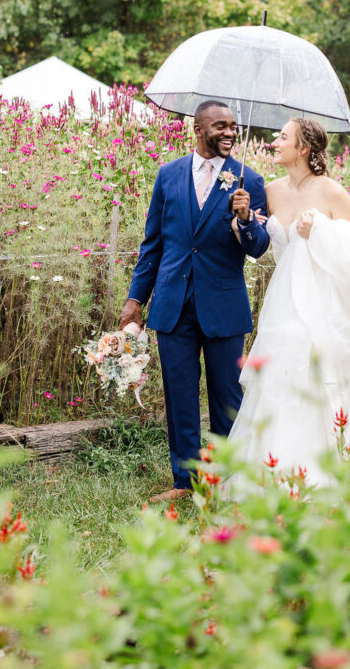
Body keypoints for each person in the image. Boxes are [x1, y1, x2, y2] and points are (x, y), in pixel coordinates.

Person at [228, 117, 350, 489]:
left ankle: (326, 476)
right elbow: (259, 243)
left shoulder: (332, 192)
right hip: (283, 304)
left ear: (302, 148)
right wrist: (243, 222)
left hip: (326, 307)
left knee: (320, 381)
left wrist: (320, 232)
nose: (274, 141)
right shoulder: (270, 190)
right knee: (281, 380)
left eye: (282, 136)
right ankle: (272, 475)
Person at [119, 100, 270, 503]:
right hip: (172, 304)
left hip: (223, 307)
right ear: (197, 130)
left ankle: (229, 480)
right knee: (179, 397)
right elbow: (153, 244)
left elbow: (259, 249)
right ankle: (186, 482)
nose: (229, 133)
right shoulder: (168, 176)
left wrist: (244, 220)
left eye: (233, 127)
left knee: (226, 398)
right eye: (220, 126)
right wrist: (136, 300)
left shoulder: (249, 180)